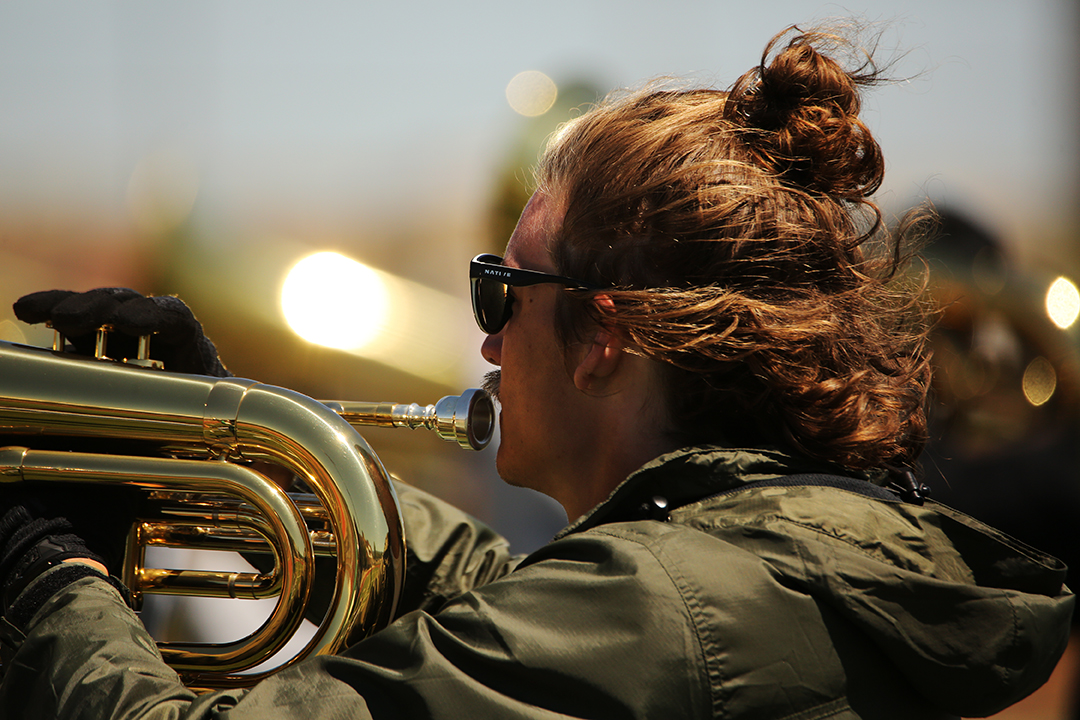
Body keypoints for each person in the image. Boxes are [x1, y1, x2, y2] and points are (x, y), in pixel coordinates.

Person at [0, 25, 1073, 720]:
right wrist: (225, 429)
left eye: (499, 291)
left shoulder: (669, 612)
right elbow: (510, 603)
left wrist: (46, 573)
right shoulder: (763, 559)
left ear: (604, 337)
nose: (484, 338)